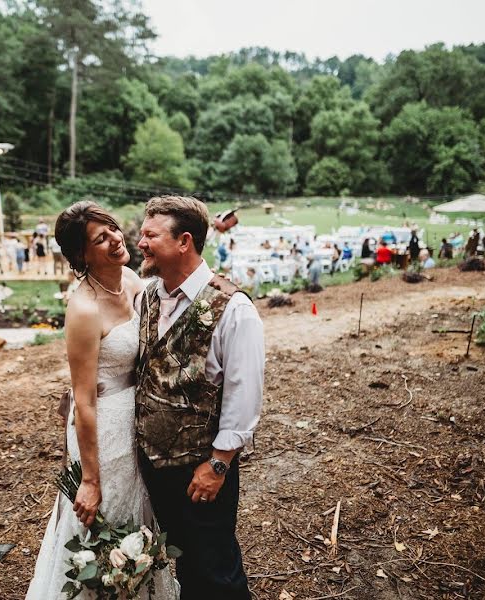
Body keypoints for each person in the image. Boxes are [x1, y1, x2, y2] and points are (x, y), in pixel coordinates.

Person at [26, 202, 178, 599]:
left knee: (142, 515)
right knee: (106, 518)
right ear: (81, 256)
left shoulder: (130, 279)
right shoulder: (83, 309)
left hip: (139, 417)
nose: (114, 238)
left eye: (112, 229)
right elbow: (84, 401)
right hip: (104, 431)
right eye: (100, 238)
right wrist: (89, 480)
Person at [135, 195, 264, 599]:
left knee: (217, 569)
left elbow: (245, 395)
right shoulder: (150, 295)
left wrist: (219, 464)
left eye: (150, 235)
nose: (140, 243)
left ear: (183, 242)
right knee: (186, 563)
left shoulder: (234, 309)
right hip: (154, 467)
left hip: (201, 469)